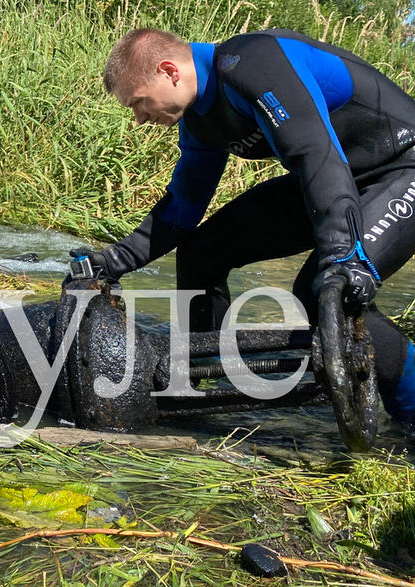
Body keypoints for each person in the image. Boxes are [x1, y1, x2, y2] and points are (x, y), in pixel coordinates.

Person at [69, 27, 415, 436]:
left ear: (169, 71)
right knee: (201, 252)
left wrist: (342, 255)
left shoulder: (253, 61)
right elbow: (181, 210)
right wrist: (111, 262)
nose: (140, 118)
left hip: (402, 167)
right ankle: (196, 381)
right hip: (339, 178)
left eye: (140, 102)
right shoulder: (200, 121)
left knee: (326, 289)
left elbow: (314, 151)